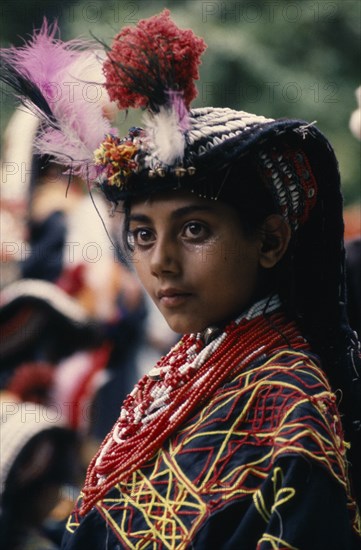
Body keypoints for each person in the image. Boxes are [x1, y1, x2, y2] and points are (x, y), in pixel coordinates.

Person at [1, 11, 360, 549]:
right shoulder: (192, 360)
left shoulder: (290, 408)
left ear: (270, 241)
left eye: (194, 229)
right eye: (142, 235)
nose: (161, 261)